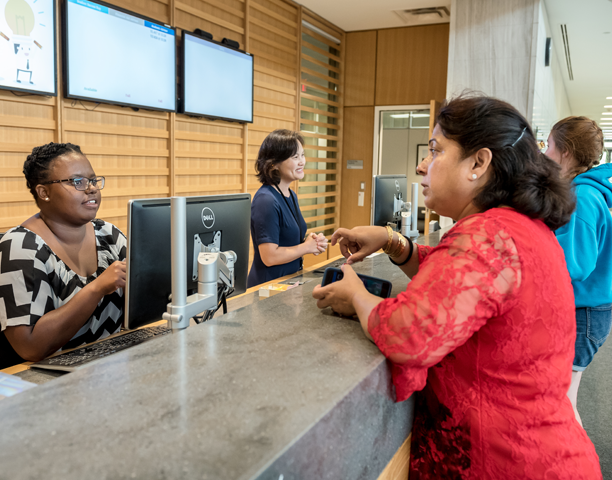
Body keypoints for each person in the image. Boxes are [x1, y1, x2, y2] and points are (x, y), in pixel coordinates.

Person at [312, 96, 602, 479]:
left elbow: (407, 333)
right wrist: (390, 240)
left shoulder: (490, 234)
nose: (421, 166)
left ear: (479, 163)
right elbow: (455, 281)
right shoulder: (514, 226)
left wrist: (356, 296)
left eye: (435, 151)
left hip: (506, 461)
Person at [0, 143, 127, 369]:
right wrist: (97, 288)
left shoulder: (108, 234)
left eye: (93, 180)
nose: (91, 189)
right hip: (53, 380)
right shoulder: (21, 247)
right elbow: (30, 347)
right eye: (77, 182)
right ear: (44, 192)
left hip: (112, 364)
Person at [545, 116, 611, 426]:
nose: (545, 153)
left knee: (563, 404)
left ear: (566, 152)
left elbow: (577, 265)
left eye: (548, 145)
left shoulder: (583, 198)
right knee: (565, 399)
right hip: (591, 311)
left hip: (583, 313)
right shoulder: (588, 191)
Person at [248, 129, 327, 288]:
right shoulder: (266, 200)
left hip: (288, 284)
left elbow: (288, 241)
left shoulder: (291, 194)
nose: (302, 162)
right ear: (273, 164)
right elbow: (269, 257)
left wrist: (313, 242)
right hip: (266, 289)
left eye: (302, 155)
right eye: (295, 157)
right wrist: (305, 247)